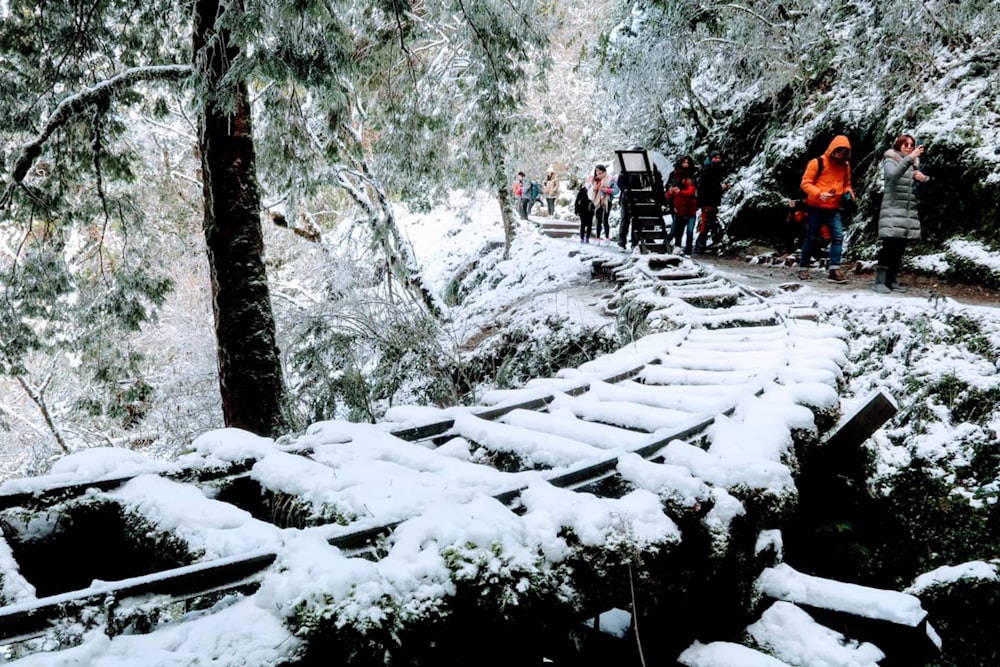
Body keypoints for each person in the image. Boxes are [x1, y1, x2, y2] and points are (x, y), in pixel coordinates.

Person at [874, 134, 929, 293]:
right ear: (898, 146)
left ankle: (891, 280)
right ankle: (879, 282)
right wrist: (910, 159)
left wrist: (923, 179)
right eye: (905, 144)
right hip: (892, 210)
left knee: (899, 248)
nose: (909, 147)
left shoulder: (912, 165)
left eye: (912, 145)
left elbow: (919, 189)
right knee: (888, 246)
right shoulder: (890, 159)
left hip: (907, 211)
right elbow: (893, 175)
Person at [798, 135, 855, 283]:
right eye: (838, 150)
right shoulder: (817, 163)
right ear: (832, 149)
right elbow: (805, 183)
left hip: (833, 208)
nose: (840, 154)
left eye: (843, 151)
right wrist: (818, 194)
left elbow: (847, 183)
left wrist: (849, 192)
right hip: (815, 206)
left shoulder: (845, 165)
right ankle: (803, 268)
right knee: (811, 237)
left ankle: (834, 269)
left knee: (838, 237)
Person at [695, 150, 731, 254]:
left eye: (719, 158)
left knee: (709, 223)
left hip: (713, 200)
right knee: (706, 223)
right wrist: (719, 187)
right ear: (711, 159)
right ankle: (700, 246)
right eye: (715, 158)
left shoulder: (715, 169)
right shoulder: (708, 169)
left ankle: (703, 244)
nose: (717, 160)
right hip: (708, 201)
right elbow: (704, 185)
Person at [666, 156, 698, 255]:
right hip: (678, 208)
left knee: (688, 230)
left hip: (689, 208)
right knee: (676, 230)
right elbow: (669, 193)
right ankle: (675, 245)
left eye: (687, 163)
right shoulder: (675, 176)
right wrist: (671, 191)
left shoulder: (691, 179)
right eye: (684, 163)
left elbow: (691, 191)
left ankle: (686, 249)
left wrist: (679, 191)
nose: (686, 165)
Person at [587, 164, 617, 246]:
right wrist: (594, 189)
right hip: (597, 201)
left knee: (605, 219)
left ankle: (607, 238)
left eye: (600, 170)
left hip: (607, 201)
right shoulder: (594, 180)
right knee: (598, 220)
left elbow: (616, 190)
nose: (598, 172)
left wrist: (606, 190)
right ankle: (598, 238)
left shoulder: (610, 179)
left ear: (604, 171)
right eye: (596, 170)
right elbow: (589, 191)